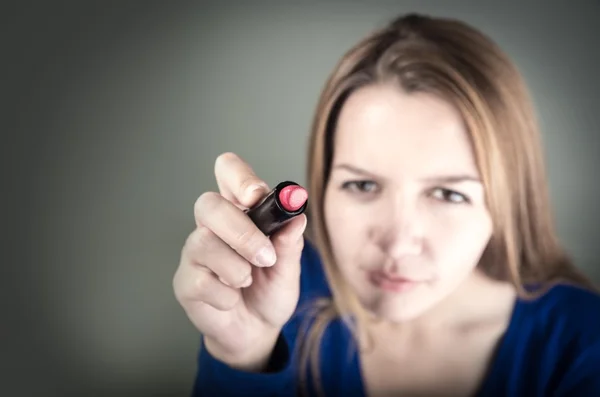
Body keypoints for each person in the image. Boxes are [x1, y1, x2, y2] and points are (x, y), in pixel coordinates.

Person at [173, 13, 600, 397]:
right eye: (361, 184)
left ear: (507, 202)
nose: (397, 245)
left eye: (449, 194)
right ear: (322, 185)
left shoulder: (582, 344)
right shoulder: (266, 295)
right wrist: (246, 357)